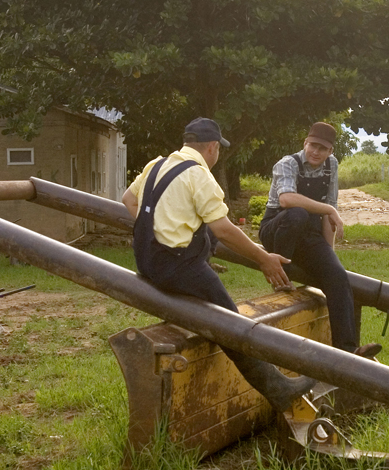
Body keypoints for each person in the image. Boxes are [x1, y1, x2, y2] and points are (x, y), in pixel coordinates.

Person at [122, 117, 317, 412]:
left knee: (202, 230)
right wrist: (263, 258)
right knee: (234, 324)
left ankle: (200, 271)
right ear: (212, 147)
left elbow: (128, 199)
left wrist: (154, 230)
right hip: (177, 268)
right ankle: (278, 389)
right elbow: (225, 229)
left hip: (147, 261)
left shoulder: (157, 164)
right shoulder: (200, 176)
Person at [259, 121, 378, 357]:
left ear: (330, 151)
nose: (316, 152)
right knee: (297, 212)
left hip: (307, 233)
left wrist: (328, 255)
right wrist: (329, 210)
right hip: (277, 228)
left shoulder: (331, 166)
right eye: (312, 145)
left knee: (336, 274)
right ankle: (284, 275)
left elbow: (328, 210)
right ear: (305, 143)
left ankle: (348, 349)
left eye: (322, 149)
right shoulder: (287, 163)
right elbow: (286, 200)